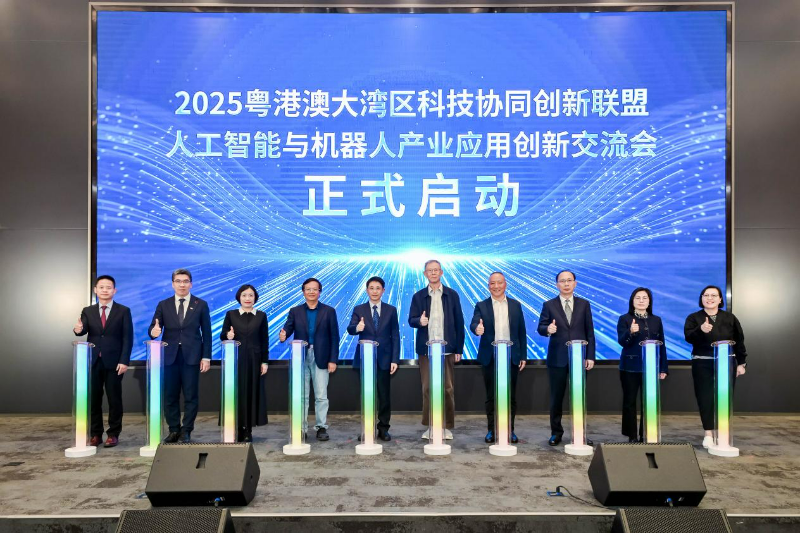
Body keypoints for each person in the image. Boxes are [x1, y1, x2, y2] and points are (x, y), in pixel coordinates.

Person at [149, 268, 212, 443]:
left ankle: (186, 430)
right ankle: (174, 430)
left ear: (191, 284)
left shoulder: (201, 304)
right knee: (170, 396)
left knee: (191, 396)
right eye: (178, 281)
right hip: (169, 357)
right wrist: (154, 332)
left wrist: (206, 357)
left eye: (185, 281)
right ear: (173, 284)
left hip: (192, 356)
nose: (182, 284)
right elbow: (153, 328)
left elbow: (207, 333)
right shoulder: (164, 304)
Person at [72, 275, 133, 448]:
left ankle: (113, 434)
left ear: (114, 290)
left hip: (115, 362)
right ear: (95, 290)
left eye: (108, 287)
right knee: (94, 400)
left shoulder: (123, 311)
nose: (105, 290)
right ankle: (96, 434)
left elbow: (127, 338)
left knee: (114, 399)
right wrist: (78, 329)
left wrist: (124, 360)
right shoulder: (88, 311)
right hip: (93, 362)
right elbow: (82, 329)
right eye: (101, 287)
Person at [536, 269, 596, 446]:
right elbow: (541, 327)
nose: (566, 283)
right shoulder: (549, 305)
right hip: (557, 358)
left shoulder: (584, 304)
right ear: (557, 285)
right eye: (562, 281)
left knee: (579, 397)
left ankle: (580, 433)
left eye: (569, 280)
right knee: (556, 397)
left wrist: (590, 356)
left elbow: (590, 332)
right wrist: (548, 329)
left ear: (575, 283)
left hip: (579, 358)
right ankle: (556, 432)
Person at [684, 285, 748, 448]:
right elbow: (688, 337)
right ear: (701, 298)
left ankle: (722, 433)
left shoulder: (730, 318)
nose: (710, 298)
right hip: (702, 363)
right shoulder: (694, 318)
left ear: (720, 299)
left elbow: (739, 340)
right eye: (706, 295)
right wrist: (701, 330)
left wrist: (741, 362)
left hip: (726, 362)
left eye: (714, 295)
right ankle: (708, 433)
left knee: (724, 397)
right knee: (704, 397)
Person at [408, 259, 464, 440]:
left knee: (447, 388)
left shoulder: (452, 295)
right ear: (425, 274)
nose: (433, 273)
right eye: (429, 270)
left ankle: (445, 426)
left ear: (441, 272)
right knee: (428, 388)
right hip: (427, 351)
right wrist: (419, 321)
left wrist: (459, 348)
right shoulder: (418, 296)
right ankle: (431, 425)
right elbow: (411, 320)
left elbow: (459, 323)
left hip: (447, 350)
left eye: (436, 270)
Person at [469, 272, 527, 444]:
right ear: (489, 286)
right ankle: (492, 430)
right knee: (491, 396)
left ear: (505, 284)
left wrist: (523, 355)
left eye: (499, 283)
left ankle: (510, 429)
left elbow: (521, 332)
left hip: (512, 356)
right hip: (490, 356)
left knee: (511, 396)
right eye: (492, 283)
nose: (496, 286)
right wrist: (477, 329)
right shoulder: (481, 305)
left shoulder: (515, 305)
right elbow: (474, 323)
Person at [279, 278, 339, 441]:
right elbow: (288, 328)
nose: (311, 292)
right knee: (301, 395)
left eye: (315, 289)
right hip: (301, 357)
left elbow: (334, 337)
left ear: (320, 291)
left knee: (321, 395)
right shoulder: (295, 311)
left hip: (322, 357)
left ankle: (321, 427)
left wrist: (333, 359)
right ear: (303, 291)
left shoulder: (329, 311)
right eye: (308, 289)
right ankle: (301, 428)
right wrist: (283, 335)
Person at [346, 276, 400, 441]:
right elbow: (350, 329)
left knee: (384, 396)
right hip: (365, 359)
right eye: (371, 288)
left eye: (378, 288)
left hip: (385, 359)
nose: (374, 291)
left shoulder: (391, 310)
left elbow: (395, 336)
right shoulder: (359, 309)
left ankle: (383, 428)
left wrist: (394, 359)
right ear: (367, 290)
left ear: (383, 291)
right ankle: (367, 428)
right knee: (367, 395)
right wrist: (357, 327)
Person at [616, 287, 668, 442]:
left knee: (649, 401)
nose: (641, 301)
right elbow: (622, 342)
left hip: (651, 368)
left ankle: (646, 433)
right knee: (630, 402)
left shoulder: (656, 320)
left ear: (649, 301)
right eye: (637, 298)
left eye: (645, 298)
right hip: (630, 367)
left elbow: (662, 344)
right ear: (632, 301)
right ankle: (631, 435)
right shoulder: (624, 319)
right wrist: (630, 332)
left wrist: (663, 367)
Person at [220, 284, 269, 442]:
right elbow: (223, 335)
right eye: (244, 295)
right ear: (239, 297)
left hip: (254, 360)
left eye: (250, 295)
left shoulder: (261, 316)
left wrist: (265, 361)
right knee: (237, 393)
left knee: (251, 392)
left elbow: (264, 340)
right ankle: (236, 427)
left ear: (255, 298)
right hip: (236, 360)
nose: (247, 298)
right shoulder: (231, 314)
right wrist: (228, 336)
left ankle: (247, 429)